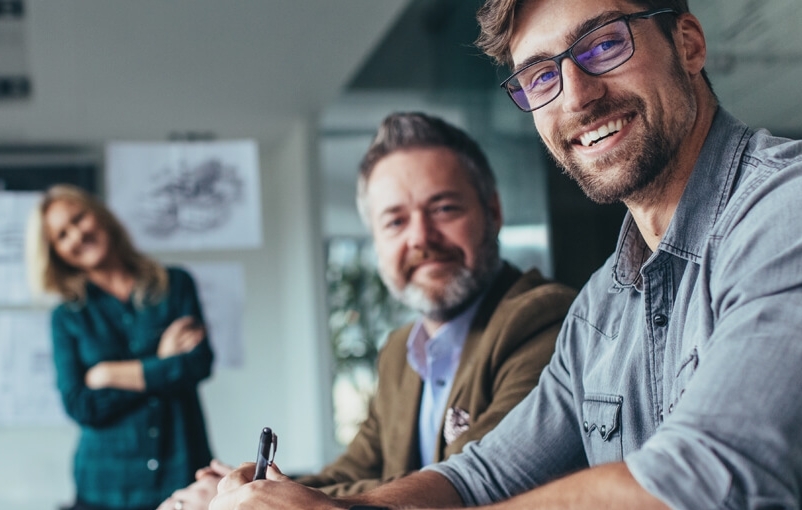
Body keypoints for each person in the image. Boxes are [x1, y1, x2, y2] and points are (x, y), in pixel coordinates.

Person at [210, 0, 802, 508]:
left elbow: (717, 484)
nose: (578, 95)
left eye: (603, 45)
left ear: (689, 42)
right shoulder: (606, 304)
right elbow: (482, 478)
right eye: (540, 77)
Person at [159, 113, 577, 510]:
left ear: (494, 212)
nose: (420, 238)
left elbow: (470, 483)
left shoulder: (540, 319)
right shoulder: (400, 351)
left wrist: (269, 499)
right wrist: (251, 489)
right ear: (376, 240)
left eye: (444, 209)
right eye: (395, 221)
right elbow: (356, 469)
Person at [28, 183, 215, 510]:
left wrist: (108, 374)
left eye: (78, 218)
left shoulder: (175, 284)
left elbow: (198, 363)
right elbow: (80, 404)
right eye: (61, 235)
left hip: (183, 473)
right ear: (55, 252)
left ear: (99, 216)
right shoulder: (67, 317)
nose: (76, 236)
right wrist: (162, 361)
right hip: (105, 487)